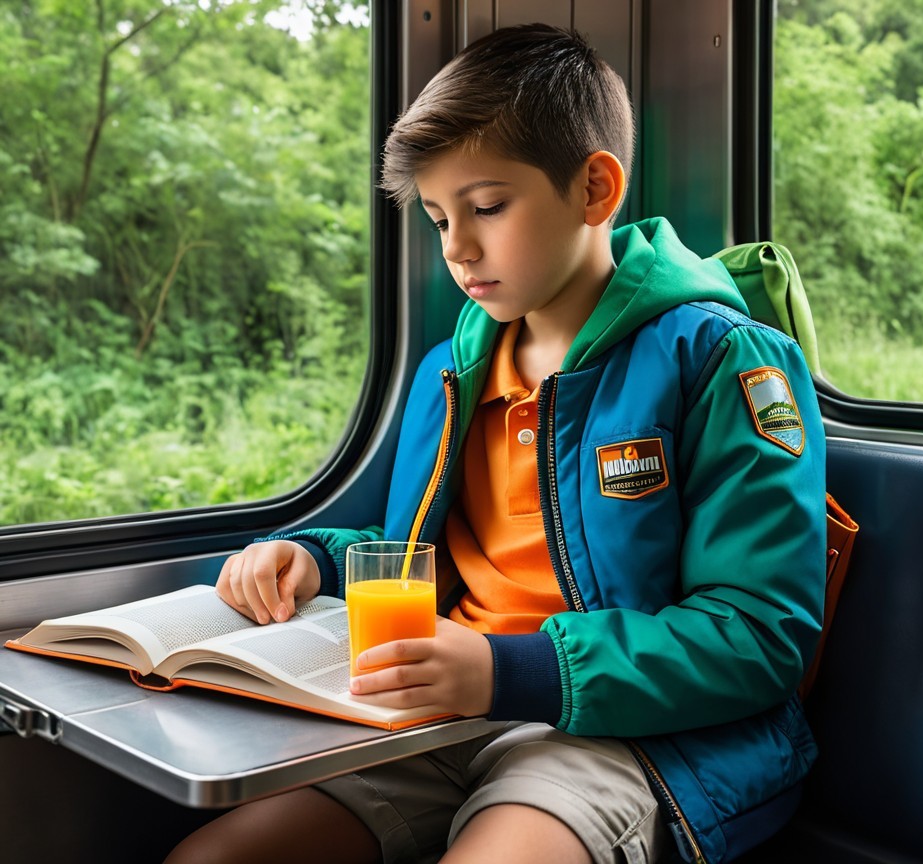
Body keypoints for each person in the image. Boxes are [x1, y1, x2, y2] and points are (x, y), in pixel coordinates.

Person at [165, 23, 826, 864]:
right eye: (439, 217)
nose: (456, 247)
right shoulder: (453, 372)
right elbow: (429, 557)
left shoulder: (720, 358)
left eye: (486, 208)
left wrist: (506, 671)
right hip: (442, 714)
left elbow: (760, 632)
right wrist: (318, 562)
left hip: (632, 735)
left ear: (594, 189)